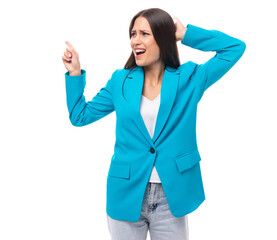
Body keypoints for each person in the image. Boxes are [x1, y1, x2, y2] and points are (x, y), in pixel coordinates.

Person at [62, 7, 246, 240]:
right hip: (126, 192)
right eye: (132, 34)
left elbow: (234, 48)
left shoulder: (190, 78)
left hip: (172, 193)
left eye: (144, 33)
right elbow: (80, 116)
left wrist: (185, 33)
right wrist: (75, 74)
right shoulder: (121, 80)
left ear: (163, 37)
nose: (135, 40)